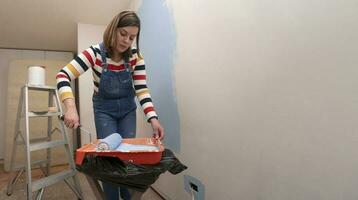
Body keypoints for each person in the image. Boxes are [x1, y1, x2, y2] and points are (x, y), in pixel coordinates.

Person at [56, 11, 164, 200]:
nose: (126, 41)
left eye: (132, 37)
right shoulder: (95, 53)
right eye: (123, 34)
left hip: (127, 111)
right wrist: (71, 108)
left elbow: (141, 90)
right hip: (104, 110)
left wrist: (153, 119)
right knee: (109, 159)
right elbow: (63, 75)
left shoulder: (136, 58)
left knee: (126, 157)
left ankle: (127, 195)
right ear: (113, 29)